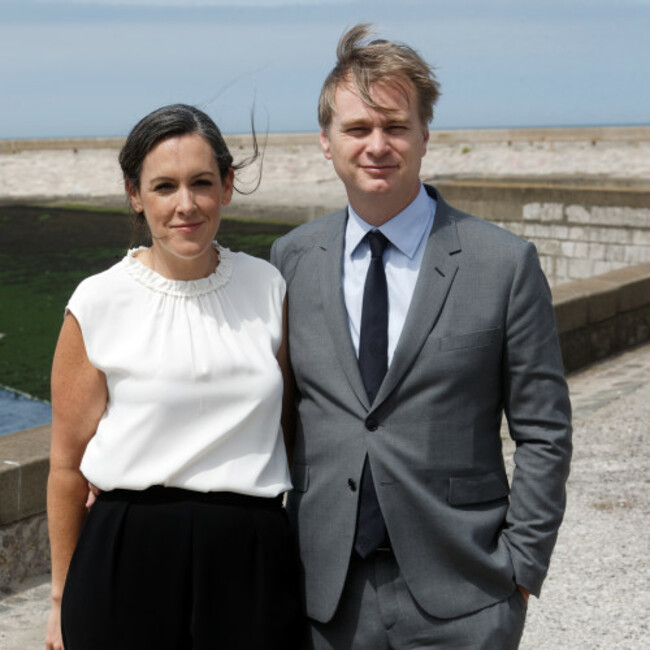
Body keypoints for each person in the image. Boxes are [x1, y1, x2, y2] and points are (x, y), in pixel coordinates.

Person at [270, 24, 572, 649]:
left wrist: (520, 569)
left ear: (424, 135)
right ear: (326, 143)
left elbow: (544, 429)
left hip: (466, 598)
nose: (377, 145)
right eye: (357, 129)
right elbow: (279, 415)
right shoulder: (291, 258)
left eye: (395, 126)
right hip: (325, 598)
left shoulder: (503, 262)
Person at [46, 104, 301, 650]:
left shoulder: (269, 287)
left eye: (202, 183)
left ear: (227, 186)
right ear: (136, 195)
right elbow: (67, 467)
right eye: (164, 186)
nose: (185, 205)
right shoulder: (97, 300)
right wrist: (58, 601)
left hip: (251, 556)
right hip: (123, 556)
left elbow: (284, 425)